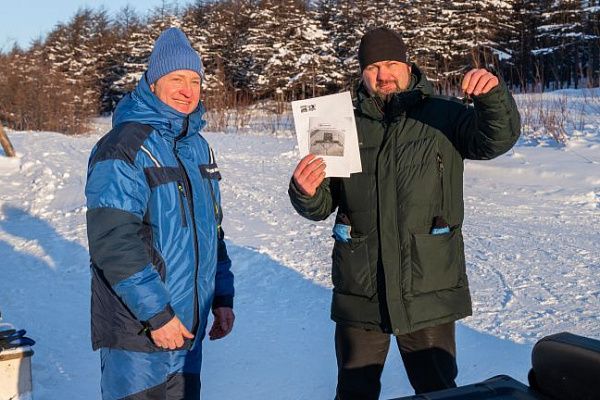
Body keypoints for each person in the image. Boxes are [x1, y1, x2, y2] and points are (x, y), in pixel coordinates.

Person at [288, 27, 521, 399]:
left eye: (392, 63)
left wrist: (493, 99)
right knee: (354, 390)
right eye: (374, 66)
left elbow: (496, 138)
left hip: (427, 283)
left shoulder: (444, 114)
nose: (384, 74)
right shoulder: (336, 123)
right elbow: (322, 206)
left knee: (438, 390)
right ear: (361, 71)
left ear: (407, 64)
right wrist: (305, 190)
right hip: (361, 287)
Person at [85, 27, 234, 400]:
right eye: (176, 79)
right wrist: (158, 315)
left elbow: (211, 230)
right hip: (139, 332)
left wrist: (222, 297)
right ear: (152, 83)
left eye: (194, 80)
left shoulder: (198, 147)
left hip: (187, 329)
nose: (188, 90)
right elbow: (113, 241)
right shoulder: (124, 145)